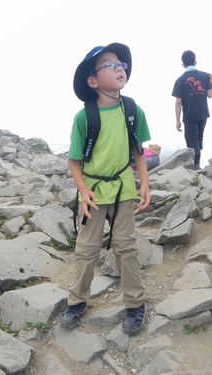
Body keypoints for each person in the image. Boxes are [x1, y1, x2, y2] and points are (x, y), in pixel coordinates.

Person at [61, 43, 151, 335]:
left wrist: (145, 183)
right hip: (94, 190)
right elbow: (74, 161)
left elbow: (138, 151)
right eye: (109, 65)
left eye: (120, 64)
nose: (119, 68)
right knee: (87, 249)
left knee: (126, 246)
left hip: (124, 186)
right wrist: (83, 191)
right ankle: (77, 301)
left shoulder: (132, 109)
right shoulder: (84, 117)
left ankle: (135, 303)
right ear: (93, 81)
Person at [172, 50, 212, 170]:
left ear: (183, 64)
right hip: (203, 114)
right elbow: (210, 94)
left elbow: (178, 102)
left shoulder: (179, 80)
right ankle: (197, 163)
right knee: (199, 139)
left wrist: (177, 120)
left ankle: (196, 166)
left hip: (189, 116)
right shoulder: (205, 76)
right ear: (195, 62)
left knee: (192, 142)